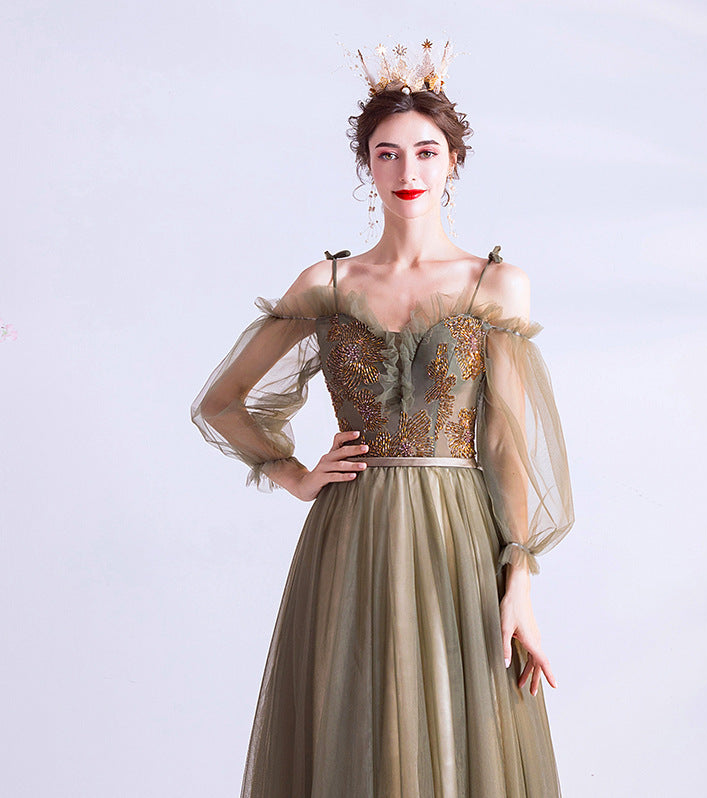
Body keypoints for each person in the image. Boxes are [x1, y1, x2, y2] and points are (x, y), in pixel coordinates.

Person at [191, 38, 575, 798]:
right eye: (387, 154)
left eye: (426, 152)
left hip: (457, 535)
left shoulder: (495, 284)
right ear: (366, 166)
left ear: (454, 161)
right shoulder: (329, 282)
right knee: (354, 723)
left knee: (460, 724)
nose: (408, 172)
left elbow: (505, 443)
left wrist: (519, 582)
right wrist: (295, 475)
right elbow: (222, 402)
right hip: (352, 531)